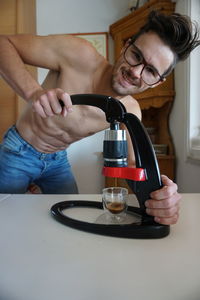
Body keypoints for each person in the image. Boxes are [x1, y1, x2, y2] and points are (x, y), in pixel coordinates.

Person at [0, 10, 199, 225]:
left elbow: (133, 165)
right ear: (126, 46)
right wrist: (33, 93)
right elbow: (3, 44)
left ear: (157, 82)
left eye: (150, 70)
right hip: (19, 150)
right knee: (7, 221)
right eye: (136, 56)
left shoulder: (130, 110)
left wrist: (161, 192)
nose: (135, 72)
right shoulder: (78, 53)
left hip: (57, 160)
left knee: (70, 218)